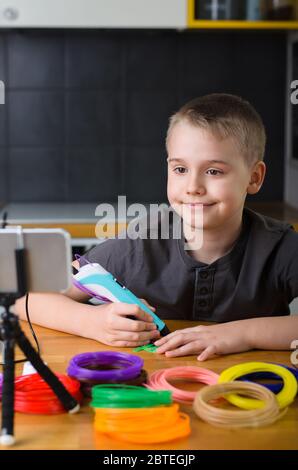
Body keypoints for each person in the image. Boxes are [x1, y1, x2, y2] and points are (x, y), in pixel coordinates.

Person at [15, 93, 298, 360]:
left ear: (254, 177)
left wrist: (240, 334)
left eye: (214, 171)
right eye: (180, 169)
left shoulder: (281, 247)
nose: (193, 187)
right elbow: (24, 300)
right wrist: (92, 321)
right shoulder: (139, 242)